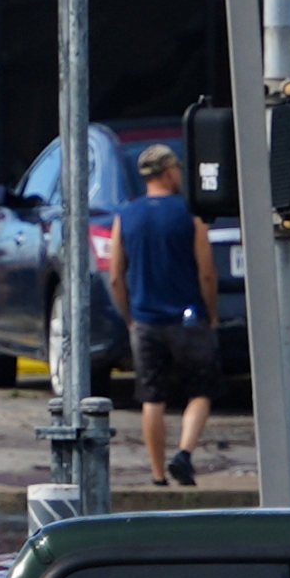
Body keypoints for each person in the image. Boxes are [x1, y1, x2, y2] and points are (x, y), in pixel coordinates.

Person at [117, 142, 219, 490]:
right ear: (168, 172)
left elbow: (117, 275)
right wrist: (211, 313)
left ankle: (158, 474)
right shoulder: (190, 214)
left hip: (146, 320)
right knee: (200, 391)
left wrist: (129, 315)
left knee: (152, 397)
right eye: (177, 168)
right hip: (188, 317)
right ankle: (184, 455)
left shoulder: (126, 216)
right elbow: (207, 272)